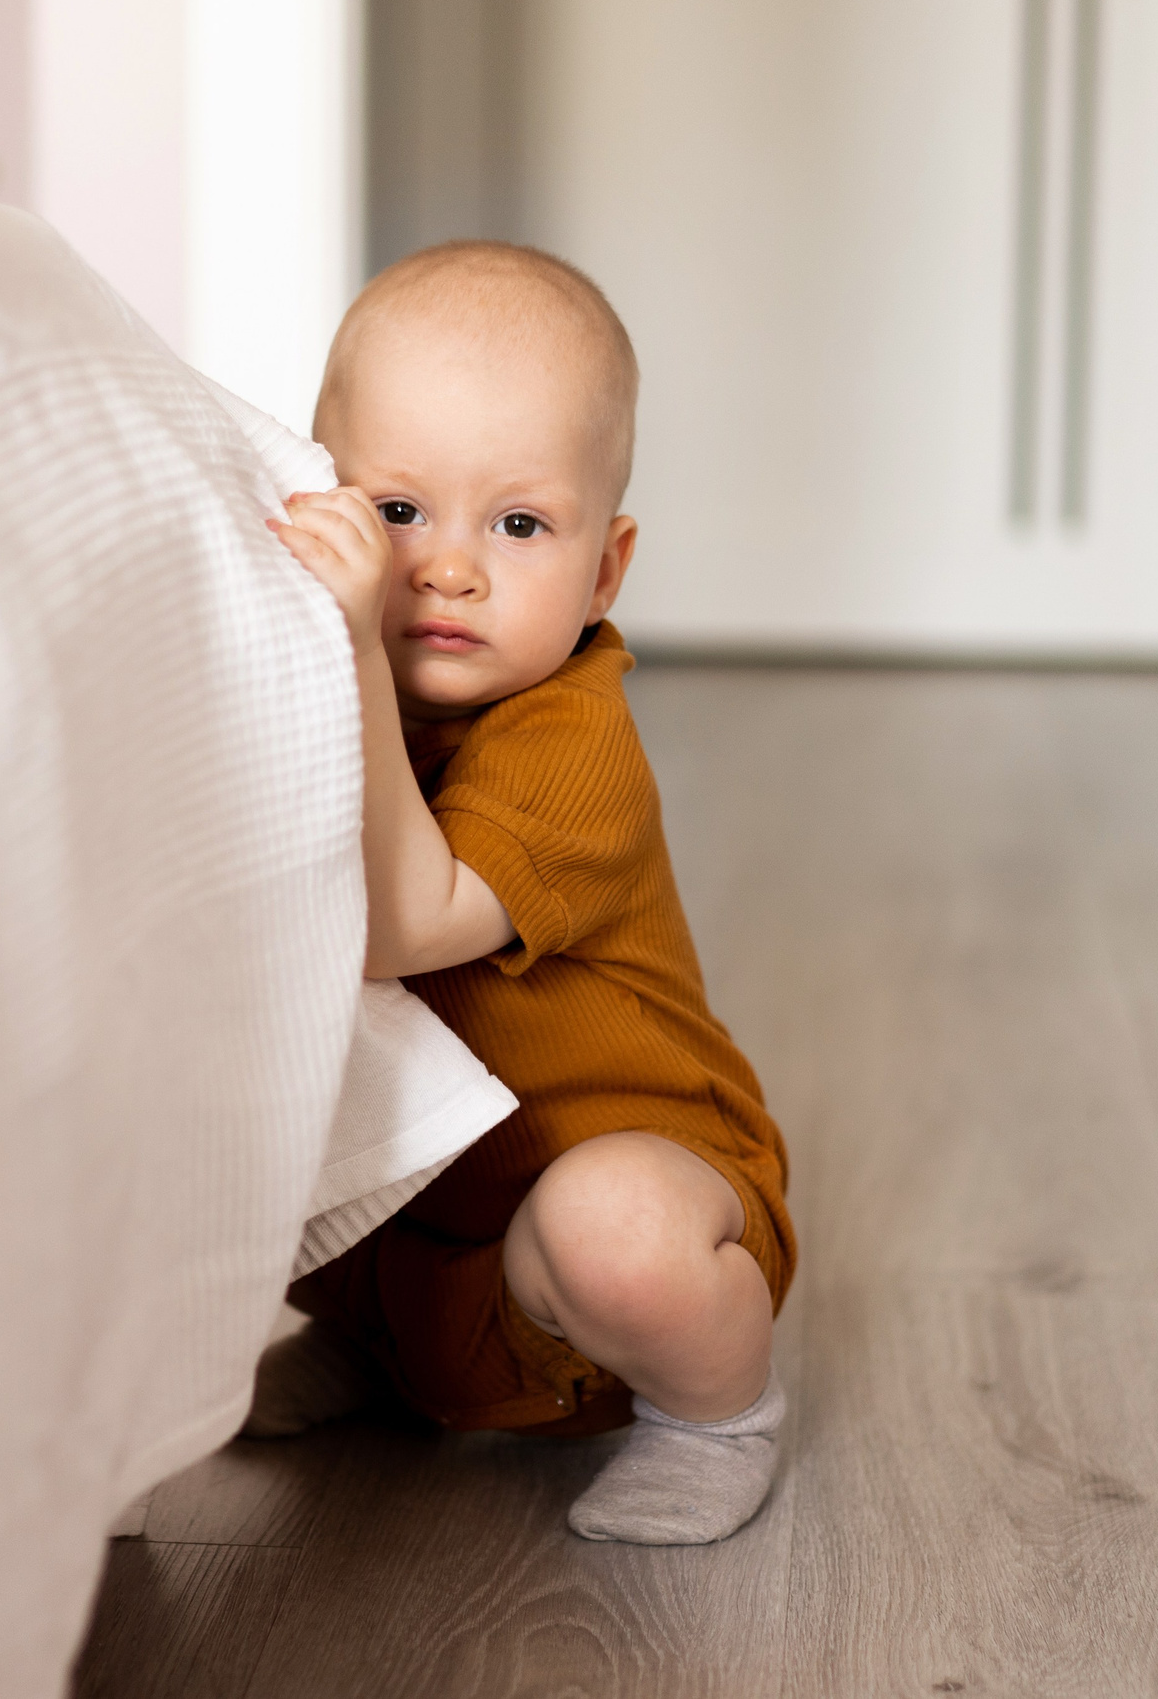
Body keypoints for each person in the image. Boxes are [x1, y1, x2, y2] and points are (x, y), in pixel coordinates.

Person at [255, 240, 795, 1545]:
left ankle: (720, 1410)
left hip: (606, 1235)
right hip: (420, 1244)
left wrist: (349, 646)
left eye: (517, 523)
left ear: (605, 571)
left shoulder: (569, 742)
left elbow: (397, 924)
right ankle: (398, 1358)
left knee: (608, 1223)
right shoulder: (327, 672)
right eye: (396, 513)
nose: (449, 568)